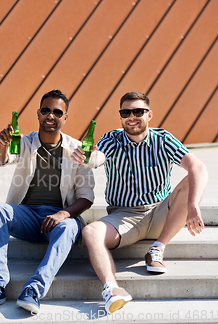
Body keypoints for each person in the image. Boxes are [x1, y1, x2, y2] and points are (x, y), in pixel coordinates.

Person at [71, 91, 208, 314]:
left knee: (192, 178)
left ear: (149, 115)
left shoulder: (163, 139)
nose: (131, 116)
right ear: (121, 116)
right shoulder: (112, 139)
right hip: (124, 217)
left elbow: (199, 167)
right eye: (125, 112)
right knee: (90, 233)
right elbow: (97, 157)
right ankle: (112, 289)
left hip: (161, 213)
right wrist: (87, 159)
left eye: (138, 111)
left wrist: (193, 206)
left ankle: (157, 248)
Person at [0, 89, 95, 314]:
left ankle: (34, 289)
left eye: (57, 112)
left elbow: (87, 197)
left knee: (71, 225)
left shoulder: (77, 149)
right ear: (38, 114)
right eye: (45, 110)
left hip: (58, 220)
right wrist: (3, 143)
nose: (50, 115)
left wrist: (63, 214)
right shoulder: (24, 141)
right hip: (27, 217)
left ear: (65, 117)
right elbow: (0, 161)